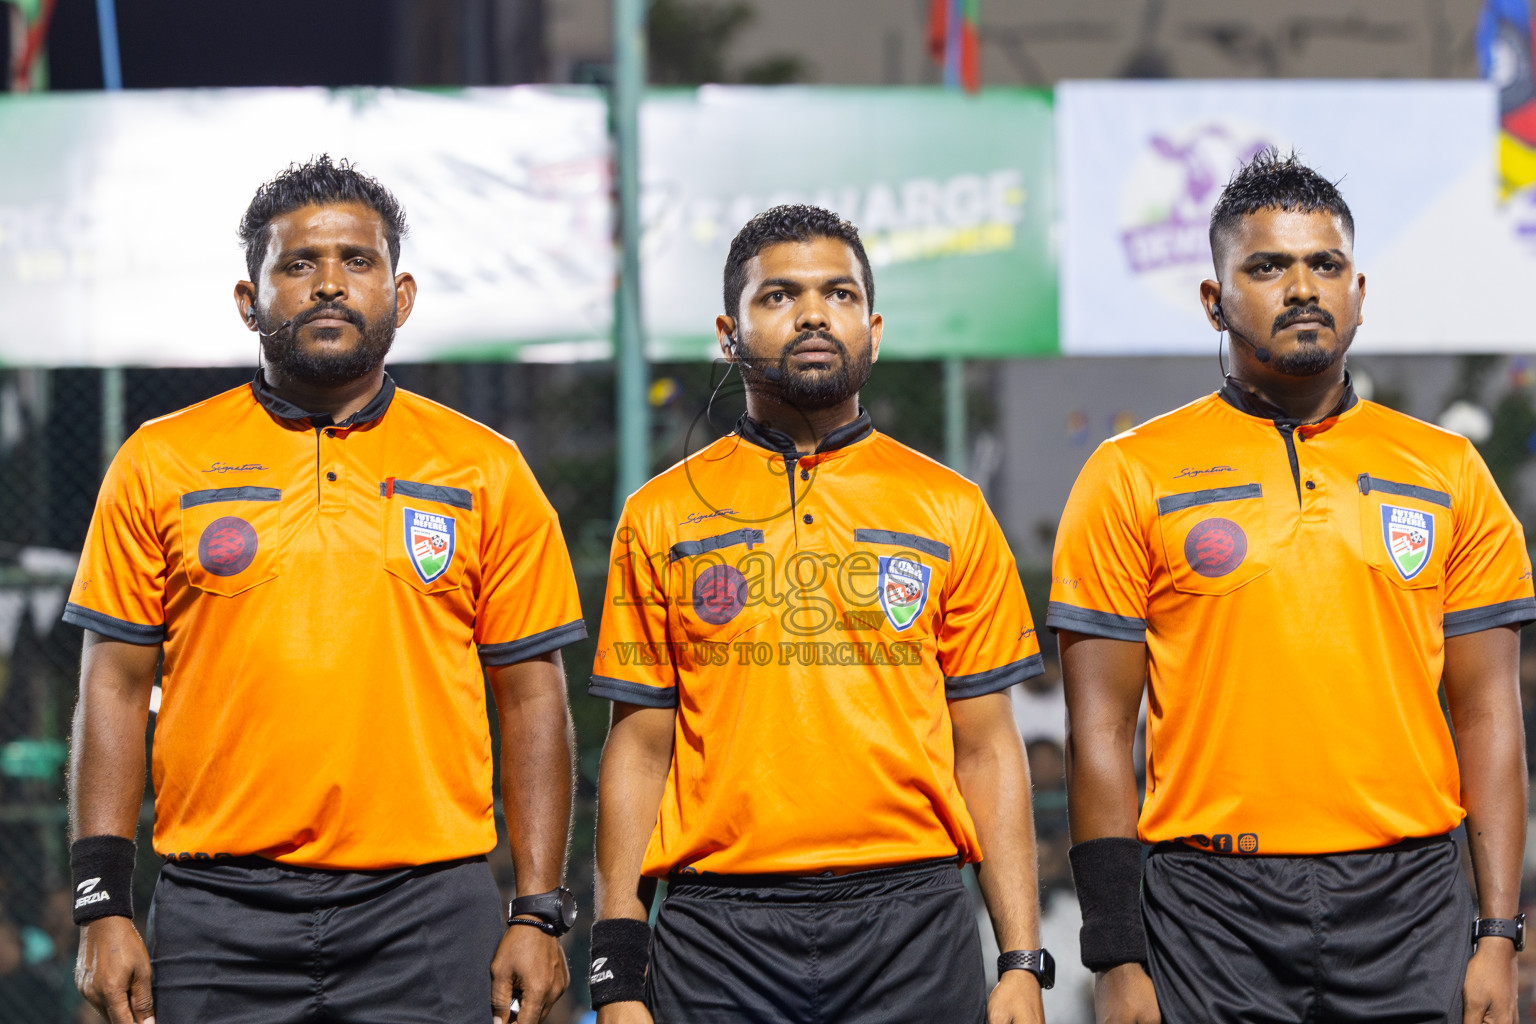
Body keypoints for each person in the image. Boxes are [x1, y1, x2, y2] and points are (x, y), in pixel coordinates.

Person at [65, 156, 587, 1024]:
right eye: (298, 265)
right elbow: (113, 687)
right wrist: (102, 903)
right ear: (249, 299)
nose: (329, 285)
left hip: (426, 906)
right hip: (216, 908)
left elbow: (534, 701)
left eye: (357, 261)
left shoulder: (486, 469)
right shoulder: (159, 460)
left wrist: (538, 910)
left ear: (402, 293)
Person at [1050, 148, 1535, 1024]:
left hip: (1412, 900)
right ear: (1214, 299)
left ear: (1358, 291)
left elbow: (1490, 716)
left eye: (1326, 264)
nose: (1302, 286)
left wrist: (1498, 931)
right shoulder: (1129, 474)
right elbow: (1100, 735)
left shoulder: (1449, 471)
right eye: (1267, 266)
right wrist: (1116, 955)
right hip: (1208, 905)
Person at [587, 204, 1051, 1024]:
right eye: (779, 296)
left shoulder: (952, 508)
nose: (812, 313)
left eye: (838, 294)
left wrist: (1020, 959)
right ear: (729, 333)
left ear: (871, 328)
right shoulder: (658, 515)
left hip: (912, 920)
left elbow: (986, 745)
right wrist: (618, 968)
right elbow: (640, 745)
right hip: (716, 930)